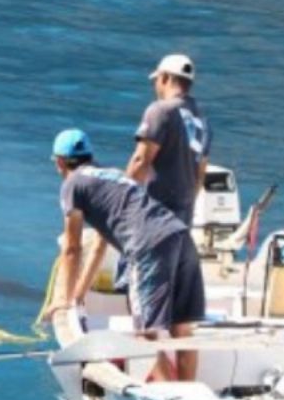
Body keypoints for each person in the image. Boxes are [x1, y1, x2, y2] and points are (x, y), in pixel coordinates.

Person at [43, 128, 205, 382]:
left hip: (148, 246)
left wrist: (63, 300)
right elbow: (99, 245)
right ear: (90, 157)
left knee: (146, 334)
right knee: (181, 328)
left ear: (60, 162)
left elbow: (72, 249)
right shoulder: (114, 176)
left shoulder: (72, 185)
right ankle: (190, 393)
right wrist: (78, 295)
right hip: (180, 235)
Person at [127, 53, 211, 226]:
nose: (155, 86)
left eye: (156, 80)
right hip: (182, 219)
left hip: (156, 215)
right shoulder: (203, 120)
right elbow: (200, 174)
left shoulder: (161, 111)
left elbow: (140, 161)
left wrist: (119, 198)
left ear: (164, 78)